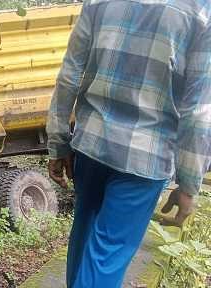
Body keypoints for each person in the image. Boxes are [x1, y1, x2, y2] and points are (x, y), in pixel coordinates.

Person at [46, 0, 211, 287]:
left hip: (91, 147)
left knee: (84, 237)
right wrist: (188, 184)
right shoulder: (200, 11)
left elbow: (69, 75)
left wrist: (58, 143)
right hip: (145, 160)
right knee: (107, 254)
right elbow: (197, 113)